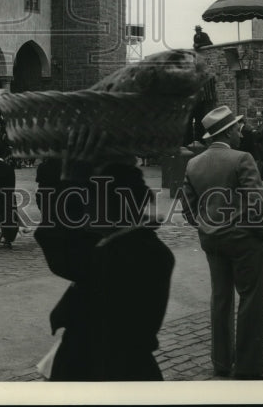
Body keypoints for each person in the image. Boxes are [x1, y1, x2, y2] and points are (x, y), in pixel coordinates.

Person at [35, 125, 174, 382]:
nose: (86, 207)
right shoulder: (134, 244)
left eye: (92, 198)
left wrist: (70, 181)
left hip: (103, 372)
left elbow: (59, 250)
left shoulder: (124, 253)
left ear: (113, 205)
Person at [182, 105, 263, 380]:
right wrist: (262, 232)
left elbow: (187, 208)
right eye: (236, 127)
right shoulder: (242, 158)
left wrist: (205, 226)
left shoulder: (193, 163)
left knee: (220, 299)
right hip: (245, 241)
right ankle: (248, 367)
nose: (240, 131)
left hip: (213, 241)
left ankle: (221, 363)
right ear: (227, 132)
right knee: (251, 300)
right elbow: (257, 205)